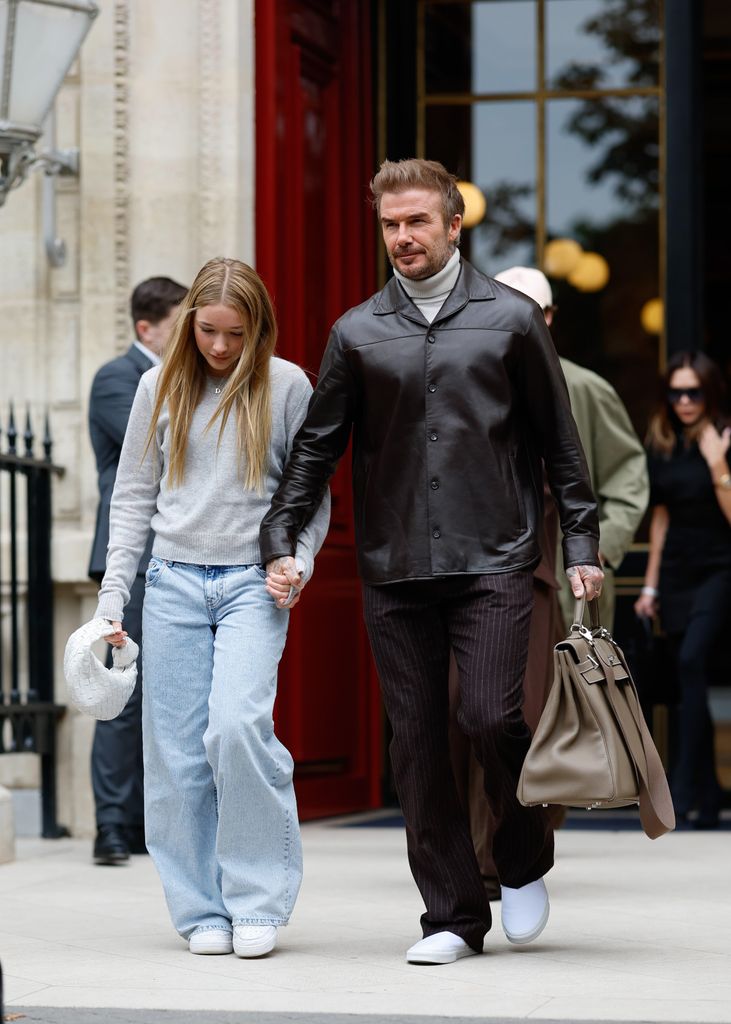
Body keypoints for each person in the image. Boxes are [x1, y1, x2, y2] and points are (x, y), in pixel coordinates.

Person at [259, 159, 603, 965]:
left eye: (417, 222)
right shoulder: (355, 331)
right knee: (415, 741)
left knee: (491, 715)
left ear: (454, 225)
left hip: (495, 556)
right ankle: (450, 916)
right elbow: (317, 449)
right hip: (396, 565)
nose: (402, 238)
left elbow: (560, 442)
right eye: (389, 225)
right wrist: (280, 535)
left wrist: (580, 544)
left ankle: (519, 859)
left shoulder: (513, 320)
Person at [94, 257, 330, 956]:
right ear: (189, 322)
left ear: (258, 328)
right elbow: (132, 496)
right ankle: (200, 910)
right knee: (176, 757)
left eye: (234, 333)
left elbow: (309, 494)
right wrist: (114, 598)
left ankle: (257, 898)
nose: (220, 348)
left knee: (235, 729)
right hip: (168, 585)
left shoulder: (287, 385)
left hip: (250, 587)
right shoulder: (155, 384)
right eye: (207, 331)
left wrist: (300, 559)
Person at [450, 265, 649, 897]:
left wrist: (596, 552)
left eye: (532, 311)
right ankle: (491, 854)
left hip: (563, 585)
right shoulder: (466, 380)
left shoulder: (584, 388)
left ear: (551, 319)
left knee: (544, 719)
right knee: (477, 715)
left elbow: (625, 478)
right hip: (480, 579)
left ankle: (518, 850)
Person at [88, 275, 187, 865]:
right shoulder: (118, 380)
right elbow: (161, 449)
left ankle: (153, 821)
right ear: (146, 328)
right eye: (180, 327)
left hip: (177, 559)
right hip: (131, 564)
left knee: (168, 700)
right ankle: (111, 826)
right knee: (120, 697)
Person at [635, 350, 731, 830]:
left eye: (694, 392)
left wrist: (718, 464)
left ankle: (686, 786)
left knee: (693, 662)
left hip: (718, 568)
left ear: (710, 393)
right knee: (683, 682)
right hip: (675, 573)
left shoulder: (724, 439)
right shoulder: (663, 439)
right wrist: (650, 583)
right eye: (676, 392)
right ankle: (710, 795)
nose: (685, 401)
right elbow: (661, 516)